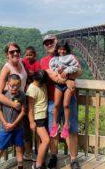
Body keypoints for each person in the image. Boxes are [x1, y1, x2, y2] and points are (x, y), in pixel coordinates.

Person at [40, 34, 82, 169]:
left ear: (56, 42)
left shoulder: (71, 57)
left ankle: (74, 159)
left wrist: (69, 77)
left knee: (71, 129)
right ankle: (53, 156)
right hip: (53, 100)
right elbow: (53, 77)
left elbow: (79, 71)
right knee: (54, 130)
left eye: (51, 41)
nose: (49, 44)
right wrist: (68, 80)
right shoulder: (45, 61)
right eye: (46, 43)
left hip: (70, 100)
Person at [0, 42, 29, 158]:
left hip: (21, 104)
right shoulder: (6, 68)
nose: (15, 53)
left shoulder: (21, 63)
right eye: (11, 52)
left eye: (17, 51)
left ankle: (22, 160)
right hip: (11, 108)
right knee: (4, 137)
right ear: (7, 55)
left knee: (19, 136)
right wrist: (14, 105)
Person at [0, 74, 26, 169]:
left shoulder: (22, 95)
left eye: (17, 86)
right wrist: (5, 123)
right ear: (7, 84)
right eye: (12, 86)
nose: (15, 88)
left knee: (19, 148)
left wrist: (14, 124)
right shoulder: (3, 95)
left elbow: (23, 111)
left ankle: (20, 166)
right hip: (5, 128)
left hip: (18, 128)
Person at [49, 41, 79, 139]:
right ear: (57, 50)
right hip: (59, 84)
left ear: (67, 50)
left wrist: (66, 71)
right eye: (60, 49)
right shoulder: (54, 59)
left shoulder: (71, 57)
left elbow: (76, 67)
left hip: (69, 84)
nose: (62, 51)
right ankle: (55, 125)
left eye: (64, 49)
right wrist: (58, 72)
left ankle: (66, 125)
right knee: (57, 104)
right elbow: (52, 69)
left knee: (66, 105)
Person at [26, 70, 50, 169]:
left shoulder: (42, 85)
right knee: (46, 140)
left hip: (44, 116)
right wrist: (31, 122)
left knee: (40, 141)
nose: (41, 83)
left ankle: (41, 162)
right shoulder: (32, 89)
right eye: (40, 81)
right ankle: (38, 165)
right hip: (38, 118)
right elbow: (30, 108)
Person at [22, 46, 41, 160]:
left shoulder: (37, 64)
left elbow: (38, 76)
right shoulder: (23, 62)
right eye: (27, 54)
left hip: (34, 95)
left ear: (35, 55)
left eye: (31, 55)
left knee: (36, 124)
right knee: (26, 126)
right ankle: (28, 151)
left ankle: (38, 151)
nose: (29, 56)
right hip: (25, 96)